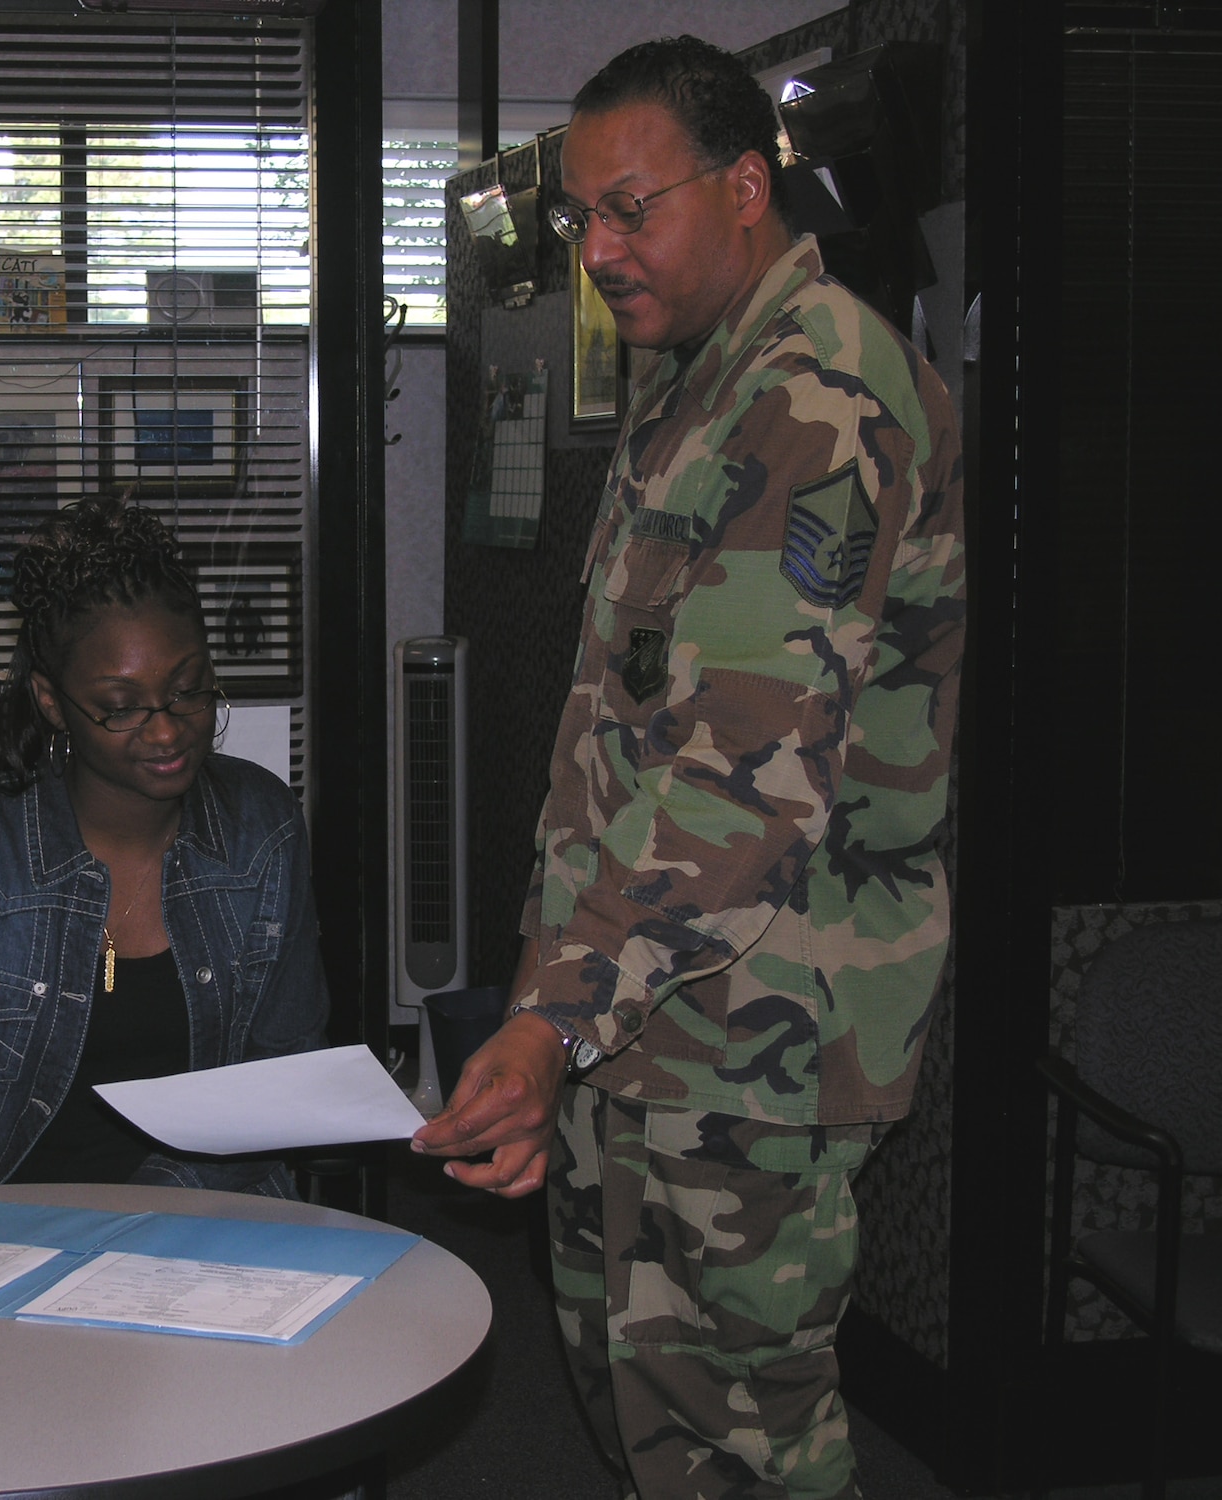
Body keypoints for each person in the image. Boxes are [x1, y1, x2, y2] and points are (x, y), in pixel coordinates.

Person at [411, 35, 966, 1500]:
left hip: (755, 1042)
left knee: (742, 1445)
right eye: (580, 215)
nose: (596, 250)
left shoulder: (818, 400)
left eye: (628, 209)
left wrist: (544, 1035)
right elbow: (615, 747)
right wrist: (552, 1019)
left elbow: (735, 788)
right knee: (637, 1408)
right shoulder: (698, 383)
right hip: (632, 1025)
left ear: (743, 186)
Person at [0, 495, 329, 1200]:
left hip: (205, 1216)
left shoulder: (261, 828)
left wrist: (155, 1202)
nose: (166, 732)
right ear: (51, 700)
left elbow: (284, 1079)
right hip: (0, 1220)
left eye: (188, 691)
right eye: (121, 706)